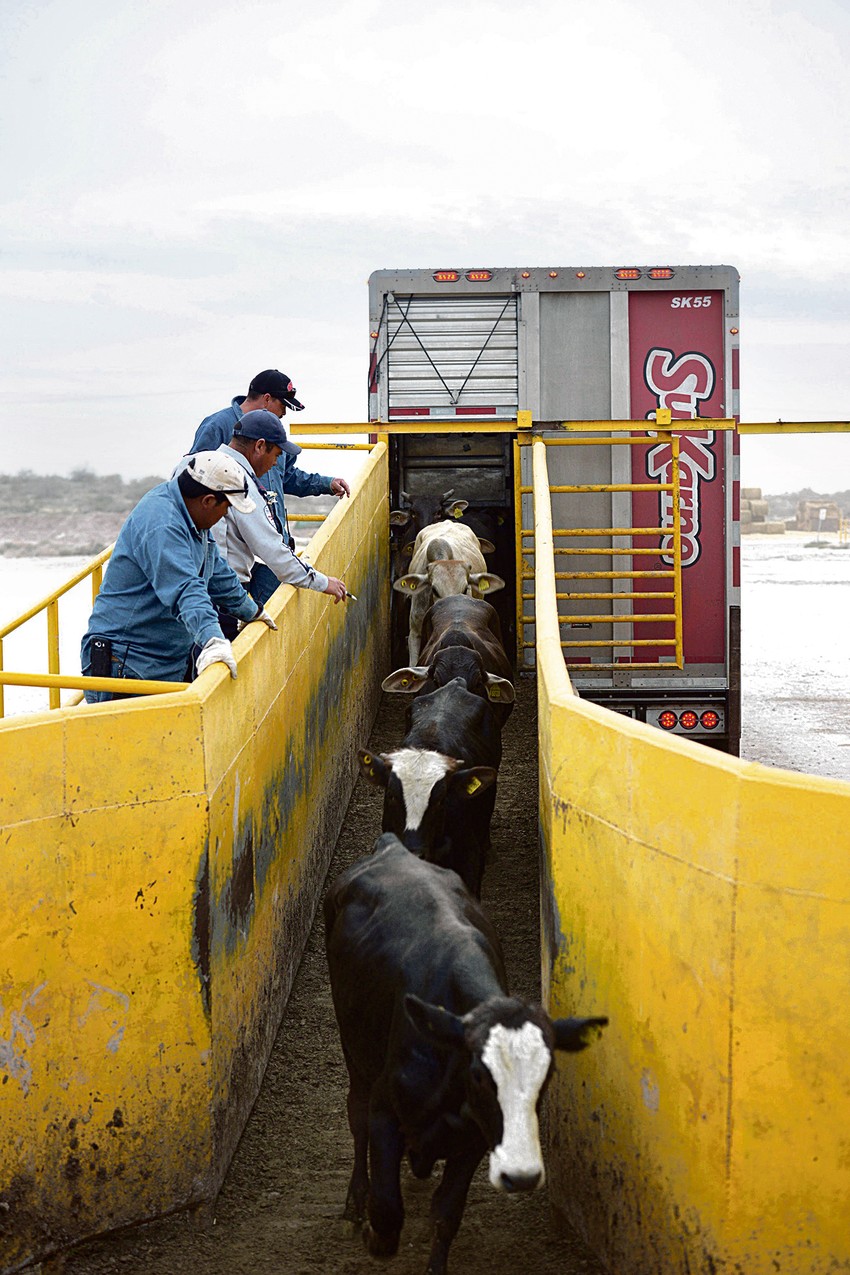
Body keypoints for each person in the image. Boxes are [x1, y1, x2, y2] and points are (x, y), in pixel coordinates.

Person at [81, 452, 277, 704]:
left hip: (162, 659)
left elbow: (215, 570)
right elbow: (185, 588)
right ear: (208, 501)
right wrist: (213, 639)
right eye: (226, 508)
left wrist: (252, 611)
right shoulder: (162, 523)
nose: (224, 515)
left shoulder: (193, 517)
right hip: (127, 663)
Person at [184, 410, 347, 637]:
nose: (275, 463)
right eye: (277, 454)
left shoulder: (191, 465)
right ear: (260, 446)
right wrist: (322, 582)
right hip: (219, 597)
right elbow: (271, 548)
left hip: (186, 589)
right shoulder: (240, 482)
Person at [190, 368, 351, 549]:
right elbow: (193, 482)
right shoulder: (217, 426)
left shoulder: (273, 431)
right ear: (267, 399)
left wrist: (327, 483)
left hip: (273, 543)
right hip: (234, 548)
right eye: (283, 406)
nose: (284, 413)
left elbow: (287, 477)